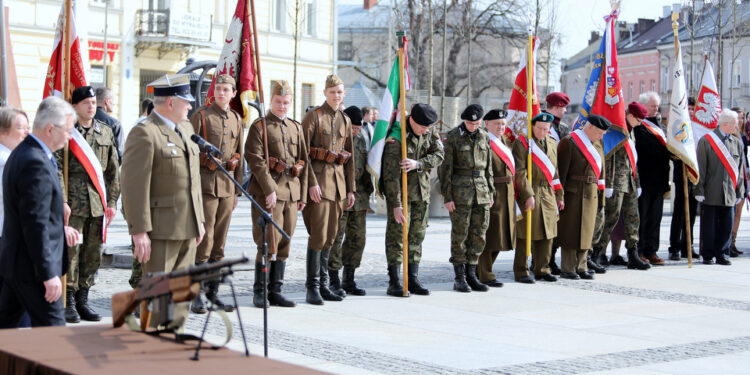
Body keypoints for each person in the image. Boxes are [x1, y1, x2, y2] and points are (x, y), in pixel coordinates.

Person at [121, 74, 205, 331]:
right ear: (171, 102)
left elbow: (194, 180)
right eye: (186, 101)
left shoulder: (187, 129)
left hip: (187, 226)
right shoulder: (145, 133)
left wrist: (199, 219)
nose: (190, 106)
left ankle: (173, 337)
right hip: (160, 230)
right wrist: (139, 231)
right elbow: (133, 187)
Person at [0, 96, 76, 328]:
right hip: (32, 270)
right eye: (68, 131)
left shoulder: (23, 152)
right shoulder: (35, 162)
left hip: (16, 264)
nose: (70, 137)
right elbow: (36, 223)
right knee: (54, 335)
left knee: (6, 332)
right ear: (51, 129)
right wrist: (48, 274)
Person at [55, 86, 120, 323]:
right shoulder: (66, 133)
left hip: (98, 203)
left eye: (94, 102)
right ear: (75, 106)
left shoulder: (105, 131)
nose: (92, 106)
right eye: (86, 103)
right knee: (72, 253)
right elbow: (58, 170)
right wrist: (62, 200)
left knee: (94, 253)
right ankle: (68, 301)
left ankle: (84, 300)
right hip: (73, 204)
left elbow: (113, 170)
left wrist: (111, 201)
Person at [246, 80, 307, 308]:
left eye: (286, 102)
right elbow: (255, 160)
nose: (282, 106)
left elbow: (304, 162)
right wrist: (269, 189)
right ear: (271, 100)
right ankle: (259, 291)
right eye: (278, 102)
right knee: (267, 243)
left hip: (291, 192)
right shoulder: (259, 126)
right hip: (267, 193)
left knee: (284, 242)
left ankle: (276, 290)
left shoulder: (295, 127)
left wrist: (302, 194)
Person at [187, 74, 243, 313]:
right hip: (206, 186)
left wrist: (237, 189)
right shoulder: (200, 116)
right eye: (218, 89)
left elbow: (240, 155)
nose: (221, 93)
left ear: (232, 93)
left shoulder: (236, 119)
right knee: (204, 240)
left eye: (226, 89)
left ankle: (213, 293)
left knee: (219, 242)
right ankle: (196, 294)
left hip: (227, 187)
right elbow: (188, 150)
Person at [301, 74, 355, 305]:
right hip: (319, 185)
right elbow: (302, 153)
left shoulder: (345, 120)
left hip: (338, 186)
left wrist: (350, 189)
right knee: (318, 236)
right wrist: (311, 183)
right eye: (332, 92)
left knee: (331, 236)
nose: (336, 95)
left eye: (340, 92)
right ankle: (312, 286)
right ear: (325, 93)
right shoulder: (314, 116)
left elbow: (350, 158)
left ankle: (324, 284)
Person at [382, 103, 444, 296]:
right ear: (412, 120)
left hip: (422, 194)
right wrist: (396, 205)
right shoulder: (397, 138)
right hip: (402, 197)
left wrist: (419, 164)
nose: (425, 131)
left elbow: (439, 154)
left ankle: (413, 278)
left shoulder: (429, 132)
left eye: (428, 127)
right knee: (397, 238)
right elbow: (390, 176)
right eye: (422, 127)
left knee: (417, 237)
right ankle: (394, 281)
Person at [439, 104, 494, 293]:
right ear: (464, 120)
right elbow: (445, 169)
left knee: (479, 233)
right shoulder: (453, 137)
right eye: (470, 123)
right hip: (460, 193)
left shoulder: (484, 136)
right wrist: (447, 196)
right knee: (460, 235)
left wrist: (491, 192)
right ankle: (459, 277)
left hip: (482, 192)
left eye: (476, 123)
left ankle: (472, 274)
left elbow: (489, 168)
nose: (473, 126)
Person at [593, 102, 650, 270]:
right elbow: (608, 159)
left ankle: (633, 253)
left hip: (630, 182)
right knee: (610, 218)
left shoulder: (631, 134)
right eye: (638, 120)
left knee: (633, 218)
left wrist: (637, 183)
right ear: (630, 116)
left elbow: (634, 162)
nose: (639, 124)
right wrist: (608, 184)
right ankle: (596, 253)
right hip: (615, 183)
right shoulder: (616, 132)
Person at [511, 112, 564, 284]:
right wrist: (528, 194)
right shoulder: (523, 143)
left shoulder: (552, 142)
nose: (542, 132)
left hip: (547, 192)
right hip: (530, 190)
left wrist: (559, 195)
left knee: (547, 233)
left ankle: (542, 268)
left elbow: (555, 172)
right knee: (525, 234)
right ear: (533, 126)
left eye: (546, 129)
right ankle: (521, 271)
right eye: (539, 128)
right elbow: (519, 172)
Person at [328, 106, 373, 296]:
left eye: (358, 128)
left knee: (357, 239)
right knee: (336, 240)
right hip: (340, 196)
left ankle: (349, 278)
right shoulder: (336, 139)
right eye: (353, 128)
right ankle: (333, 279)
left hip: (359, 197)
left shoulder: (362, 139)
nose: (356, 131)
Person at [557, 115, 608, 280]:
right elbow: (561, 173)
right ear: (590, 127)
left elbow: (601, 171)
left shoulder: (598, 144)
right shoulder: (569, 142)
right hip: (574, 192)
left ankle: (581, 266)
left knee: (587, 231)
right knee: (571, 230)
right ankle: (568, 267)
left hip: (592, 191)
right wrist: (560, 196)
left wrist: (602, 197)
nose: (601, 136)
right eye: (600, 132)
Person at [695, 109, 745, 265]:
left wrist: (740, 191)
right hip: (711, 191)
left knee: (726, 225)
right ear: (726, 124)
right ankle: (708, 254)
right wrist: (699, 190)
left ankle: (723, 254)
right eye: (735, 124)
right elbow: (701, 168)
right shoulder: (707, 141)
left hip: (729, 192)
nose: (737, 127)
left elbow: (740, 170)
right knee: (709, 226)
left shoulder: (736, 143)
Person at [477, 109, 515, 287]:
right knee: (490, 234)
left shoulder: (504, 141)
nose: (501, 127)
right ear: (487, 124)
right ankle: (484, 274)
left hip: (507, 191)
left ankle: (486, 270)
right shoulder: (483, 141)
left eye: (503, 124)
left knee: (501, 235)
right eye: (497, 124)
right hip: (493, 191)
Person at [634, 91, 669, 265]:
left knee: (656, 217)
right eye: (652, 106)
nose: (656, 109)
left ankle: (652, 250)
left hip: (660, 180)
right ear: (644, 107)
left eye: (657, 106)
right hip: (644, 179)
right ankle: (639, 251)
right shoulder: (639, 127)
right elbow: (645, 150)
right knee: (643, 217)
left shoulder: (661, 127)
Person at [668, 98, 701, 261]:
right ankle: (674, 246)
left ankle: (688, 245)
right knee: (680, 211)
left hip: (694, 174)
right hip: (682, 173)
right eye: (688, 108)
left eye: (693, 108)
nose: (691, 111)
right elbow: (672, 149)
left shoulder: (698, 127)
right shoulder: (677, 125)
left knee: (692, 212)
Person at [544, 92, 571, 275]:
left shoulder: (563, 128)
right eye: (562, 108)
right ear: (553, 107)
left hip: (561, 179)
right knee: (546, 223)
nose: (565, 110)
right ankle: (543, 260)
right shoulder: (542, 124)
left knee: (559, 223)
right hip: (545, 179)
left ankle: (552, 258)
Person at [729, 107, 748, 257]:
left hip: (744, 177)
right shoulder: (730, 135)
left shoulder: (744, 136)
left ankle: (733, 242)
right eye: (738, 118)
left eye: (742, 118)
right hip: (733, 178)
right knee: (731, 212)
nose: (740, 121)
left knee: (738, 212)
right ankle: (727, 242)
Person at [94, 87, 124, 163]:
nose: (114, 103)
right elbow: (120, 154)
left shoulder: (85, 120)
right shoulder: (115, 124)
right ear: (106, 101)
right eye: (113, 100)